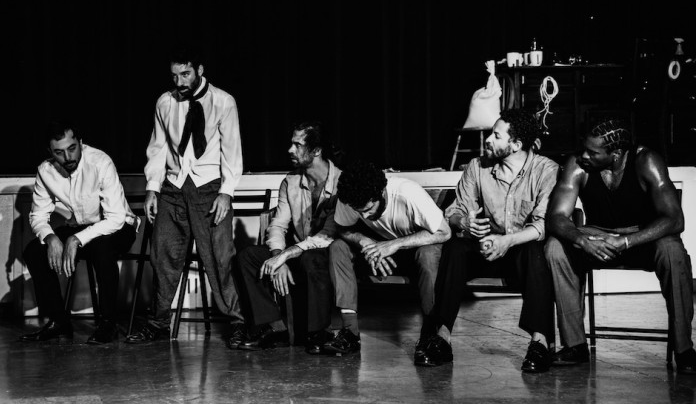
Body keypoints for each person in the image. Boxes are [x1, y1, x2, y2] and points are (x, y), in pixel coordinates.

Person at [545, 118, 695, 373]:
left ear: (616, 154)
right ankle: (575, 345)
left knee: (673, 251)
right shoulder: (577, 165)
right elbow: (555, 217)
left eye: (593, 152)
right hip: (597, 236)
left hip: (643, 236)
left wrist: (626, 241)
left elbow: (674, 219)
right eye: (584, 149)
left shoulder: (646, 161)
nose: (584, 156)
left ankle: (684, 349)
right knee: (555, 248)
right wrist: (582, 239)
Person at [127, 46, 246, 348]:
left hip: (209, 189)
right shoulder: (165, 103)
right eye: (174, 75)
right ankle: (157, 323)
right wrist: (153, 188)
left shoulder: (223, 101)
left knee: (220, 259)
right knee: (163, 254)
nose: (179, 81)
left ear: (200, 70)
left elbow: (232, 153)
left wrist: (226, 194)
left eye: (186, 74)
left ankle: (238, 323)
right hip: (173, 188)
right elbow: (157, 148)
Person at [429, 109, 559, 372]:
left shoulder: (546, 170)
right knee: (454, 248)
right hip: (488, 249)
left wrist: (507, 241)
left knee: (536, 250)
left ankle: (540, 343)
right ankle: (441, 337)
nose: (488, 139)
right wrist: (464, 223)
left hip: (522, 252)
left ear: (516, 145)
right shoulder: (478, 167)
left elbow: (543, 224)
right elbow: (455, 211)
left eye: (496, 136)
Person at [20, 122, 138, 344]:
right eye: (59, 152)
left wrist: (76, 239)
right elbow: (38, 216)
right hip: (81, 228)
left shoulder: (100, 162)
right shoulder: (46, 171)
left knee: (102, 248)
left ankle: (108, 324)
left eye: (72, 148)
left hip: (119, 227)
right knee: (35, 250)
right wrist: (51, 237)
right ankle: (58, 322)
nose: (67, 157)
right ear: (50, 152)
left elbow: (115, 218)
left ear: (80, 143)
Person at [236, 122, 341, 353]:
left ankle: (317, 332)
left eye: (297, 145)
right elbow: (278, 225)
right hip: (295, 251)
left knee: (312, 258)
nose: (290, 150)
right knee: (248, 257)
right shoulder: (290, 182)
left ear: (316, 150)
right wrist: (277, 256)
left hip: (326, 252)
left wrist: (285, 256)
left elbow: (328, 235)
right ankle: (271, 327)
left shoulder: (340, 183)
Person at [327, 161, 450, 356]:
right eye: (360, 212)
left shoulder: (407, 193)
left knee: (428, 255)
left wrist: (394, 245)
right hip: (379, 247)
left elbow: (444, 232)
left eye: (369, 208)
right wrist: (366, 242)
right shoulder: (351, 198)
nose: (366, 215)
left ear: (381, 192)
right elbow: (342, 228)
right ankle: (350, 333)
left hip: (416, 247)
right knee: (338, 248)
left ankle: (430, 335)